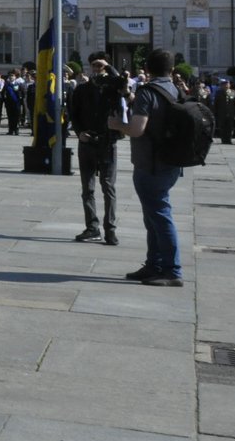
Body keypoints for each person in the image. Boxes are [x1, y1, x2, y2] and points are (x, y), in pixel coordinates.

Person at [109, 48, 187, 288]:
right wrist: (133, 99)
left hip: (150, 163)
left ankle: (172, 270)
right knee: (153, 216)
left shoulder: (147, 92)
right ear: (171, 69)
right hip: (172, 160)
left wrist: (115, 124)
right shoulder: (175, 89)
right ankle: (154, 264)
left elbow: (137, 129)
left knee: (160, 216)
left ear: (147, 70)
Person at [68, 53, 123, 246]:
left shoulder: (113, 88)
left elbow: (123, 86)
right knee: (87, 188)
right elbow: (73, 114)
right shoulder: (82, 89)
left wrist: (110, 68)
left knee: (108, 187)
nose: (97, 69)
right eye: (94, 65)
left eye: (101, 66)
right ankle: (92, 227)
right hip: (87, 141)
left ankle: (110, 230)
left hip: (108, 142)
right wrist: (79, 132)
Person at [212, 79, 235, 145]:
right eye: (224, 84)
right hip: (221, 113)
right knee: (222, 127)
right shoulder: (219, 93)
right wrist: (215, 113)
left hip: (231, 113)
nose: (226, 86)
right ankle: (223, 139)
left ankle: (229, 139)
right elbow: (216, 103)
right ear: (222, 86)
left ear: (229, 85)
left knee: (230, 127)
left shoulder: (233, 92)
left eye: (227, 84)